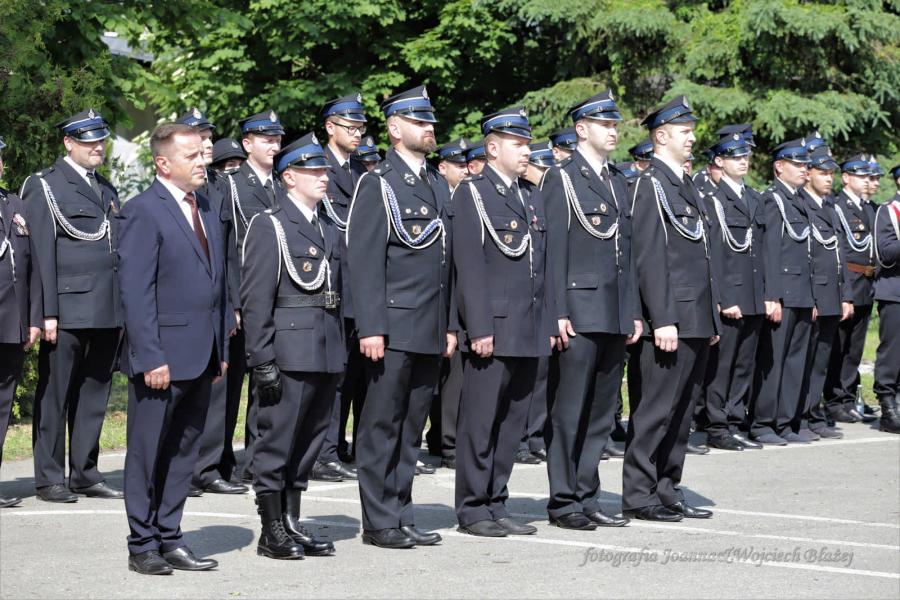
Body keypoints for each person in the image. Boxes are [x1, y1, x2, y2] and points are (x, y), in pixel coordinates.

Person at [118, 123, 231, 575]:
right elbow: (136, 292)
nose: (203, 162)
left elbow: (219, 283)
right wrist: (150, 356)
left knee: (184, 453)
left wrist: (221, 347)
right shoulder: (142, 211)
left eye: (202, 154)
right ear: (163, 163)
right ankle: (142, 543)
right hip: (162, 357)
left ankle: (170, 535)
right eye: (192, 156)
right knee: (147, 453)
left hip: (202, 354)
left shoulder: (206, 207)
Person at [347, 85, 455, 549]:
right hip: (392, 327)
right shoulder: (378, 183)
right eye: (419, 121)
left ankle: (401, 512)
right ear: (394, 128)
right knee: (381, 426)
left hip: (429, 325)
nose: (429, 128)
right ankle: (379, 521)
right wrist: (371, 326)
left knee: (411, 428)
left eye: (429, 121)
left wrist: (450, 324)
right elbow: (364, 260)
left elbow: (447, 262)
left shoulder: (434, 182)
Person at [452, 106, 556, 537]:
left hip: (528, 327)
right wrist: (479, 328)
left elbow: (543, 267)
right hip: (492, 328)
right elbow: (469, 266)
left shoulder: (529, 194)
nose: (526, 151)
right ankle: (473, 507)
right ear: (493, 149)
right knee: (481, 422)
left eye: (527, 144)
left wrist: (548, 323)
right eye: (517, 144)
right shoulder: (473, 193)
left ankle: (497, 501)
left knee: (512, 422)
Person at [241, 132, 344, 559]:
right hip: (288, 353)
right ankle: (271, 531)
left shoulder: (327, 224)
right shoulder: (271, 224)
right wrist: (262, 359)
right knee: (277, 442)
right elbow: (255, 299)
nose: (323, 177)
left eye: (324, 170)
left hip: (325, 350)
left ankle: (291, 523)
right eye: (313, 170)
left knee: (308, 443)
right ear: (288, 177)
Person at [542, 90, 637, 530]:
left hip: (613, 311)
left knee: (601, 413)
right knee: (569, 412)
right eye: (604, 125)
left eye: (615, 125)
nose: (613, 131)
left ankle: (587, 494)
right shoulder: (561, 178)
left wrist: (632, 311)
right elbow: (554, 251)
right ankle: (564, 501)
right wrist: (558, 310)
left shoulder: (617, 180)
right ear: (581, 129)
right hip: (578, 311)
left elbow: (627, 253)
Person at [623, 96, 718, 523]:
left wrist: (709, 317)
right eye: (684, 132)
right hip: (670, 318)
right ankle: (638, 493)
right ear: (661, 137)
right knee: (656, 410)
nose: (692, 138)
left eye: (692, 131)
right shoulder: (650, 184)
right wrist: (662, 318)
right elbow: (648, 257)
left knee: (681, 413)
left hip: (695, 316)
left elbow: (702, 256)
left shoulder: (686, 184)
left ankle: (666, 486)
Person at [21, 109, 123, 503]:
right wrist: (47, 311)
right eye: (88, 141)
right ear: (68, 142)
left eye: (100, 140)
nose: (97, 147)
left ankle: (85, 472)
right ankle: (49, 478)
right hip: (65, 310)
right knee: (55, 396)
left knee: (94, 394)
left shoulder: (106, 188)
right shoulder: (45, 185)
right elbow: (40, 254)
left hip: (106, 307)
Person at [174, 109, 248, 498]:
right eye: (199, 136)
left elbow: (229, 253)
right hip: (183, 305)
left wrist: (233, 303)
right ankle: (179, 469)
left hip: (218, 302)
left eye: (208, 136)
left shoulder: (219, 186)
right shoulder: (172, 186)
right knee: (183, 389)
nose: (207, 143)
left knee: (218, 388)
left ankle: (207, 467)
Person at [220, 109, 285, 483]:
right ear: (247, 144)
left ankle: (258, 459)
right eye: (265, 139)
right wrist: (233, 302)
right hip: (243, 298)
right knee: (229, 390)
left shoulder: (281, 184)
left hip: (276, 299)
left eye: (276, 139)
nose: (273, 145)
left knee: (267, 383)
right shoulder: (230, 185)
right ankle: (219, 461)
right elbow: (227, 249)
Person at [311, 93, 369, 482]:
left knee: (356, 375)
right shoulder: (316, 166)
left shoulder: (361, 171)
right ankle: (324, 452)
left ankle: (345, 447)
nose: (358, 134)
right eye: (351, 127)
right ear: (330, 127)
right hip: (329, 285)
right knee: (331, 375)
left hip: (360, 287)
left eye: (361, 127)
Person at [701, 132, 765, 451]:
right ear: (719, 161)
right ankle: (717, 425)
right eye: (735, 157)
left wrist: (767, 294)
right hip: (732, 297)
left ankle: (736, 420)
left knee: (744, 364)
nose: (743, 161)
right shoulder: (713, 199)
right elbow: (714, 254)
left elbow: (763, 251)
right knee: (722, 365)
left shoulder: (754, 197)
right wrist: (724, 298)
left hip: (753, 294)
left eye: (745, 156)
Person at [749, 138, 815, 445]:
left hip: (802, 292)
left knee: (795, 362)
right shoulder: (773, 200)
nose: (804, 169)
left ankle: (786, 422)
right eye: (797, 164)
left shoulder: (799, 200)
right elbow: (770, 251)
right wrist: (771, 295)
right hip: (784, 293)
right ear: (779, 167)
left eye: (805, 165)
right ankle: (763, 422)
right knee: (773, 362)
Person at [797, 145, 851, 440]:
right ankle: (799, 417)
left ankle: (813, 413)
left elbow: (840, 255)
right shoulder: (801, 204)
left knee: (820, 361)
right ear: (808, 174)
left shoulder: (830, 206)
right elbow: (804, 257)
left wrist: (846, 296)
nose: (829, 178)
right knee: (804, 361)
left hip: (832, 294)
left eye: (831, 173)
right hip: (813, 295)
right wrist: (811, 297)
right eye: (823, 173)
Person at [0, 136, 42, 509]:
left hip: (11, 325)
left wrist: (33, 319)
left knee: (2, 405)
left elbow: (32, 270)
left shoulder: (14, 205)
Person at [824, 155, 876, 423]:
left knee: (854, 349)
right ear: (845, 178)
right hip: (848, 283)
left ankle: (846, 398)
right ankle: (833, 399)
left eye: (868, 176)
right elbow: (841, 252)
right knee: (839, 346)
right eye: (860, 176)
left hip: (867, 284)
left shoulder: (869, 208)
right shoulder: (837, 206)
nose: (866, 181)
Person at [872, 165, 900, 433]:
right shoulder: (889, 211)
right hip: (895, 292)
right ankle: (888, 408)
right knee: (892, 353)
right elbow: (886, 253)